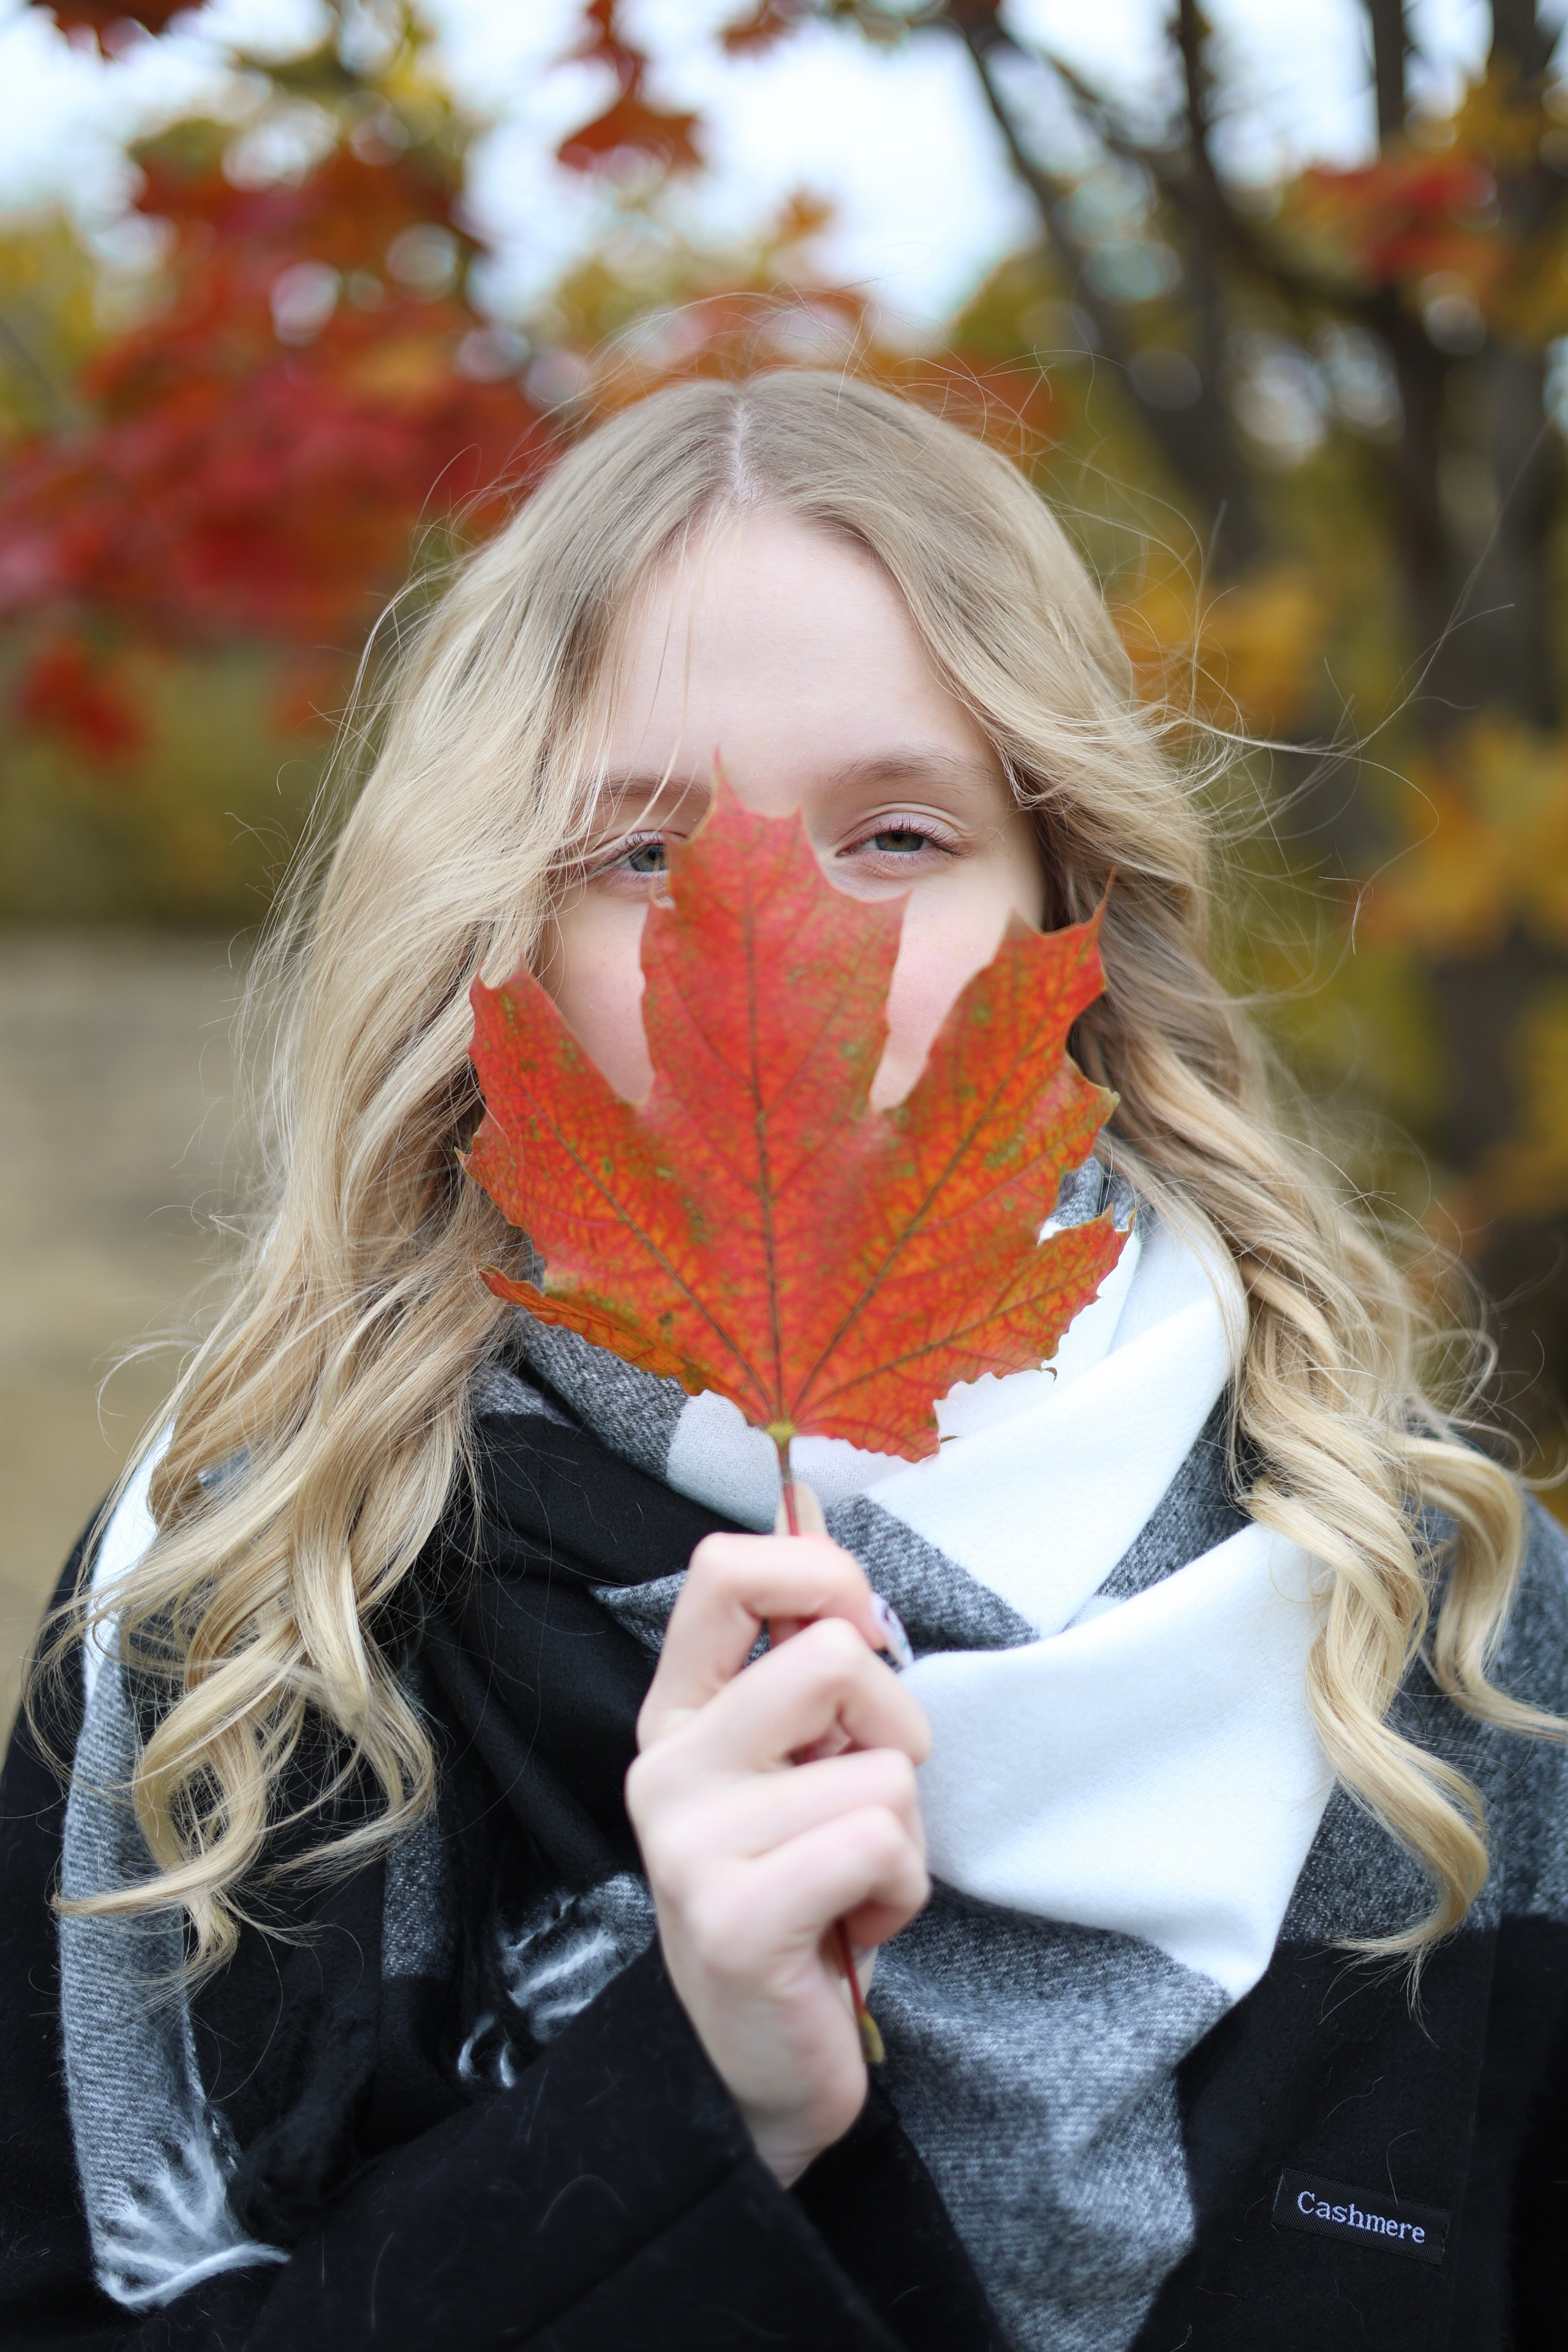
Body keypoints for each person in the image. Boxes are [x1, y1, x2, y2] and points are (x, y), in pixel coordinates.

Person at [2, 371, 1564, 2352]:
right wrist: (685, 2100)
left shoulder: (1453, 1625)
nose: (789, 948)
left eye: (900, 835)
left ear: (1067, 911)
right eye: (641, 854)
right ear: (497, 937)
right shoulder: (247, 1622)